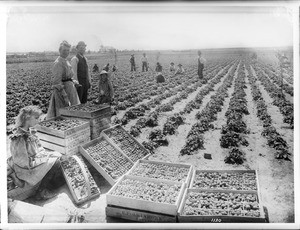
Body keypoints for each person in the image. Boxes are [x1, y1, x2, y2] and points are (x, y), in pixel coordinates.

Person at [7, 106, 64, 200]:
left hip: (33, 160)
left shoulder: (29, 131)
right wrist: (40, 160)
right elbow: (21, 161)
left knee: (57, 156)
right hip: (25, 167)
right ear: (27, 118)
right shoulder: (18, 137)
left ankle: (46, 185)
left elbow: (38, 148)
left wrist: (42, 155)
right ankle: (41, 192)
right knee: (55, 161)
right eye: (36, 118)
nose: (38, 121)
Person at [46, 41, 80, 119]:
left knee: (73, 110)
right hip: (63, 91)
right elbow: (57, 81)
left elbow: (68, 76)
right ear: (60, 50)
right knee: (64, 112)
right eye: (64, 50)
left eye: (68, 50)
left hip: (70, 89)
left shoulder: (66, 61)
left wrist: (73, 82)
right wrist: (64, 95)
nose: (66, 52)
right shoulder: (58, 63)